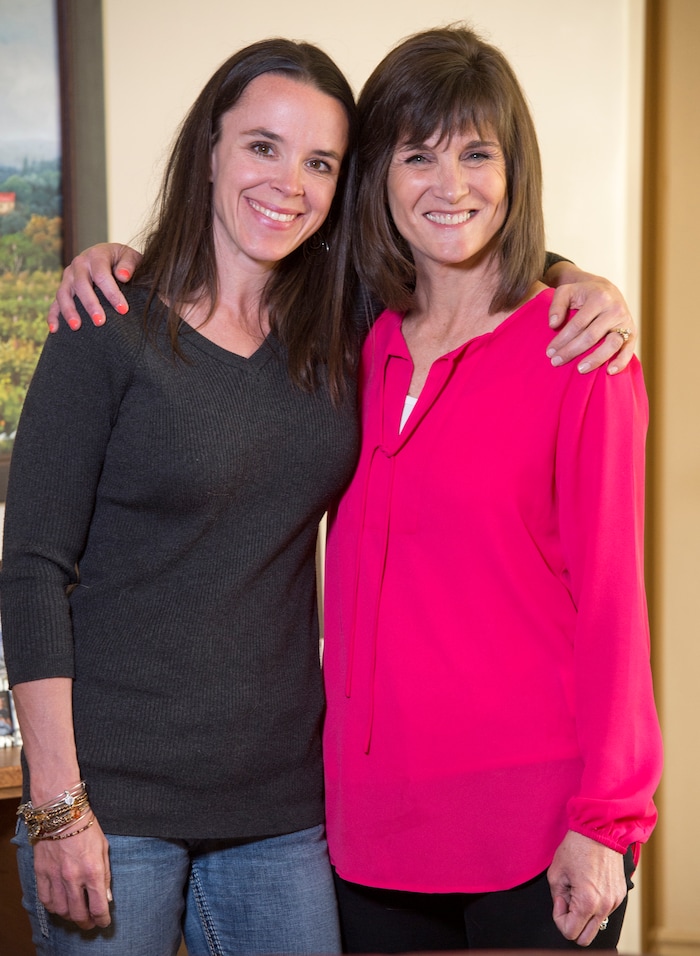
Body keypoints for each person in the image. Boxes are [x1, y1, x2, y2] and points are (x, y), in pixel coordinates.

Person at [1, 37, 360, 956]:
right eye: (262, 146)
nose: (289, 182)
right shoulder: (108, 322)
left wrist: (571, 280)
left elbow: (463, 259)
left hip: (282, 808)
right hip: (113, 804)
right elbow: (33, 567)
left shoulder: (339, 338)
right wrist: (57, 803)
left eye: (319, 161)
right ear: (210, 149)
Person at [321, 24, 662, 953]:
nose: (451, 185)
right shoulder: (355, 340)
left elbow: (613, 602)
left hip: (536, 826)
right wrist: (121, 265)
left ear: (515, 172)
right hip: (367, 832)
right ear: (378, 177)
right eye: (418, 154)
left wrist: (609, 818)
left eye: (478, 153)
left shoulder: (576, 349)